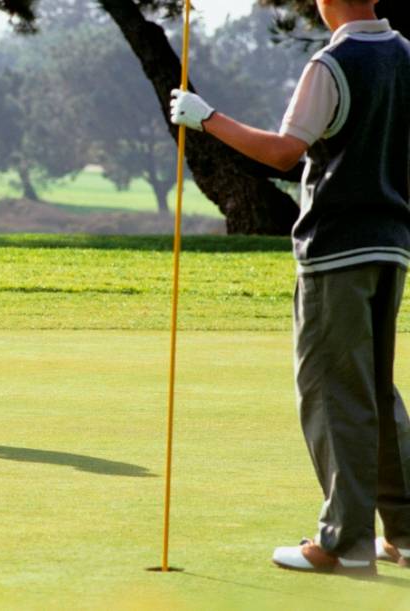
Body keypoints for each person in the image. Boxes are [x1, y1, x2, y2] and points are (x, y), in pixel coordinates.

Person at [171, 0, 410, 574]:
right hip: (391, 245)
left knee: (332, 393)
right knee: (376, 390)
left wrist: (205, 118)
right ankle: (405, 531)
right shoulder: (404, 54)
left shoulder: (332, 64)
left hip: (335, 251)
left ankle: (343, 542)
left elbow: (283, 152)